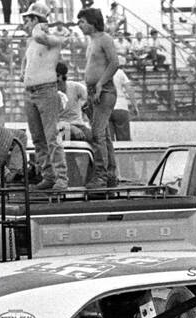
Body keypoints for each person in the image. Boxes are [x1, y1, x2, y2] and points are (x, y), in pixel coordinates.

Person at [21, 1, 69, 191]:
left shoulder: (51, 38)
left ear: (35, 20)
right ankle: (48, 175)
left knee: (51, 137)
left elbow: (39, 36)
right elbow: (28, 59)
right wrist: (24, 72)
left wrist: (40, 24)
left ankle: (61, 178)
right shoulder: (31, 41)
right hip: (31, 92)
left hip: (46, 90)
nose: (25, 24)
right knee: (38, 138)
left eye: (28, 20)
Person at [78, 6, 120, 189]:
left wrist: (101, 83)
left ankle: (101, 175)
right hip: (93, 90)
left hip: (104, 90)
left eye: (82, 22)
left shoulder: (105, 39)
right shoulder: (91, 41)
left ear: (92, 22)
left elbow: (115, 62)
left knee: (97, 134)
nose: (79, 25)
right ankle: (110, 174)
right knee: (103, 135)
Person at [56, 61, 91, 141]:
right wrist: (71, 128)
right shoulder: (50, 93)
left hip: (78, 124)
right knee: (64, 143)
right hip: (61, 127)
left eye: (58, 76)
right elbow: (52, 121)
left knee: (95, 140)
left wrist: (85, 108)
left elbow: (90, 98)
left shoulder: (75, 87)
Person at [110, 63, 133, 141]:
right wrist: (135, 105)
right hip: (120, 105)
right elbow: (129, 89)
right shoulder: (120, 72)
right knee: (124, 139)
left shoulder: (100, 72)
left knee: (109, 141)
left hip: (106, 108)